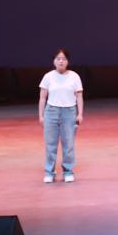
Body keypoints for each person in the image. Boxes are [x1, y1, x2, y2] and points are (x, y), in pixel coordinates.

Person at [38, 49, 84, 183]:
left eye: (63, 59)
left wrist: (80, 114)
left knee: (68, 144)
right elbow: (42, 98)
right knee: (50, 144)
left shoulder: (74, 76)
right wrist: (41, 116)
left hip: (69, 112)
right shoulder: (48, 76)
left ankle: (68, 171)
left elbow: (79, 96)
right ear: (54, 61)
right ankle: (49, 172)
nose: (61, 61)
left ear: (67, 61)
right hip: (51, 111)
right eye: (58, 58)